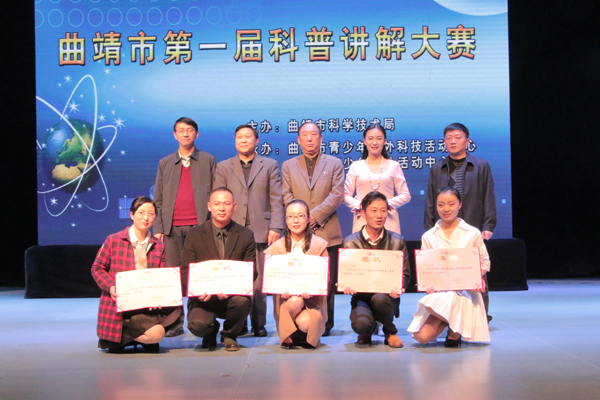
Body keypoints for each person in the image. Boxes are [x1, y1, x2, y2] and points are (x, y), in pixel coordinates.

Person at [214, 124, 284, 337]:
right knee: (235, 278)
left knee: (258, 282)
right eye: (239, 137)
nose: (243, 140)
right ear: (235, 141)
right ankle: (239, 323)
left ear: (257, 140)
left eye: (248, 136)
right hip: (232, 230)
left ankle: (259, 324)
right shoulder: (223, 167)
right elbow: (218, 198)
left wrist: (276, 226)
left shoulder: (269, 164)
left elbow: (276, 198)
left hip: (261, 229)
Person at [424, 122, 496, 320]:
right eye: (448, 138)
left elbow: (488, 195)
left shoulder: (480, 166)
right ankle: (449, 317)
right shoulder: (437, 168)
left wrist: (488, 224)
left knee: (476, 272)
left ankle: (480, 317)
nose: (453, 141)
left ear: (467, 141)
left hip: (471, 224)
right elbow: (431, 199)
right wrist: (429, 227)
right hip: (444, 229)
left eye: (457, 137)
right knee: (445, 271)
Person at [91, 196, 182, 353]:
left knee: (177, 310)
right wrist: (111, 286)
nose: (146, 218)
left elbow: (161, 277)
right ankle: (121, 335)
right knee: (156, 333)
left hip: (146, 305)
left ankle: (122, 337)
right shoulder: (114, 240)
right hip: (121, 306)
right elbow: (97, 268)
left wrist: (159, 297)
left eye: (151, 214)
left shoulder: (158, 245)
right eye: (141, 212)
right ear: (132, 215)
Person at [153, 117, 216, 336]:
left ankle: (197, 318)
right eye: (181, 130)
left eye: (189, 130)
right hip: (172, 229)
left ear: (197, 134)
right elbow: (158, 199)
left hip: (200, 227)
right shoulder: (165, 163)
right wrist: (159, 228)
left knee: (197, 274)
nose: (185, 134)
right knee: (174, 276)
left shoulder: (208, 160)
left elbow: (216, 195)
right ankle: (175, 322)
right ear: (175, 135)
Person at [281, 121, 344, 336]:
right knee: (298, 279)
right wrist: (301, 217)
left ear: (321, 138)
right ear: (298, 140)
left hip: (327, 231)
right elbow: (286, 194)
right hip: (296, 233)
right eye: (305, 135)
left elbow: (337, 194)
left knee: (326, 281)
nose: (309, 138)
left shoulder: (334, 163)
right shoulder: (288, 165)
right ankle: (297, 323)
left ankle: (325, 324)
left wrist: (313, 216)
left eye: (314, 134)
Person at [409, 187, 490, 347]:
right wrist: (428, 284)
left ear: (460, 205)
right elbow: (426, 268)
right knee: (422, 337)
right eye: (441, 204)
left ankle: (454, 330)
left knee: (457, 302)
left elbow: (484, 262)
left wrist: (475, 278)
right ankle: (450, 321)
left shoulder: (472, 233)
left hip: (465, 292)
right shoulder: (428, 236)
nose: (446, 209)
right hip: (441, 293)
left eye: (451, 204)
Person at [181, 187, 256, 351]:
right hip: (203, 298)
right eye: (217, 204)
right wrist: (198, 291)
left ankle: (229, 335)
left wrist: (232, 288)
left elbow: (251, 272)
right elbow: (186, 271)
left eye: (226, 204)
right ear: (209, 206)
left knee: (242, 302)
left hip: (232, 297)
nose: (222, 208)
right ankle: (210, 331)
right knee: (198, 325)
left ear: (234, 207)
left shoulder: (246, 235)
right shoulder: (194, 234)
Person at [341, 191, 410, 348]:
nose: (379, 215)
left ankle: (390, 331)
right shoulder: (350, 242)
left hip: (386, 297)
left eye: (383, 210)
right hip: (362, 297)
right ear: (363, 213)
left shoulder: (397, 241)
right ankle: (367, 329)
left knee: (379, 299)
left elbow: (405, 274)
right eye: (373, 210)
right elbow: (347, 275)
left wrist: (399, 287)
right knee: (361, 325)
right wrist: (347, 285)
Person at [264, 200, 328, 349]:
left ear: (308, 218)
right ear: (286, 220)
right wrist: (280, 290)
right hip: (286, 301)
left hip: (312, 300)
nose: (296, 220)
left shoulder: (319, 245)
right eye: (291, 216)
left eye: (300, 216)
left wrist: (312, 290)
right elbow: (272, 280)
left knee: (305, 323)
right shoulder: (276, 248)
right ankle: (288, 335)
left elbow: (324, 277)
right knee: (295, 301)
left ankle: (305, 335)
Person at [344, 123, 411, 234]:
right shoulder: (355, 166)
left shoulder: (394, 166)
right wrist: (361, 206)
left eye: (379, 138)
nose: (374, 142)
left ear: (384, 141)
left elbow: (406, 195)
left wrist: (385, 205)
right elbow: (344, 195)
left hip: (388, 220)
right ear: (364, 141)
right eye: (370, 138)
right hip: (363, 219)